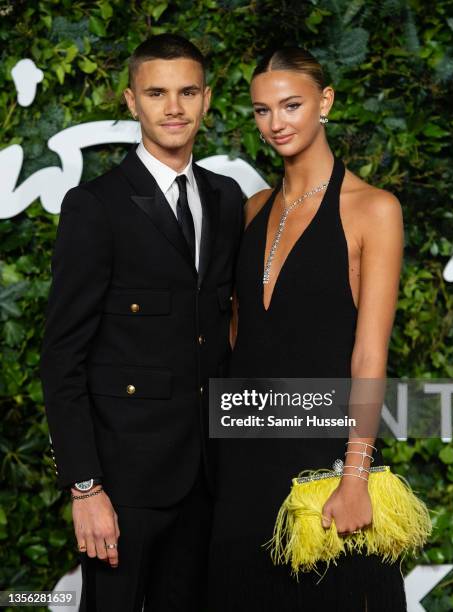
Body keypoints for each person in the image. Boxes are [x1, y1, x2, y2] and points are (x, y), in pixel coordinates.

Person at [40, 34, 243, 612]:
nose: (173, 107)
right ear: (131, 101)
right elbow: (62, 356)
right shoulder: (95, 206)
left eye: (187, 92)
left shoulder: (227, 199)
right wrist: (85, 488)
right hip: (121, 488)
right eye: (157, 92)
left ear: (206, 99)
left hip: (208, 478)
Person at [208, 47, 406, 611]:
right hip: (244, 460)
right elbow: (237, 337)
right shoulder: (253, 208)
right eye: (262, 110)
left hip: (325, 458)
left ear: (325, 102)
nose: (276, 123)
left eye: (291, 105)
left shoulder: (373, 208)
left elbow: (369, 354)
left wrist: (356, 474)